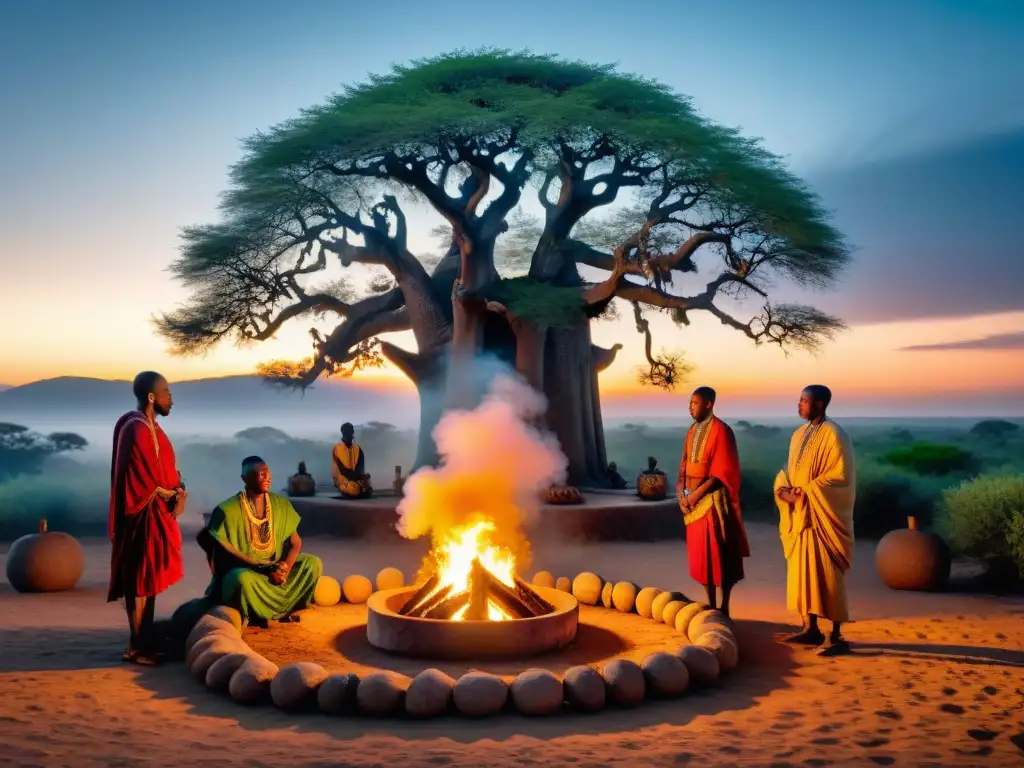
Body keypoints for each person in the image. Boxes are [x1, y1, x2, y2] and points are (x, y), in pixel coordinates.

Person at [107, 371, 187, 665]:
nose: (171, 399)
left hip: (159, 510)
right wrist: (174, 494)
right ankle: (136, 646)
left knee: (150, 578)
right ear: (152, 397)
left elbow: (169, 471)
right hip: (142, 513)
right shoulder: (137, 429)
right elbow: (145, 480)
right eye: (167, 393)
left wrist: (180, 489)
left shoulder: (153, 427)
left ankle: (145, 641)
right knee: (139, 579)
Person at [774, 385, 856, 656]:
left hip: (822, 518)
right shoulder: (798, 435)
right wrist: (784, 490)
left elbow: (841, 477)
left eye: (804, 400)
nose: (799, 405)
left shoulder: (835, 434)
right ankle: (810, 628)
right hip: (801, 517)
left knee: (827, 576)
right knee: (802, 575)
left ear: (819, 404)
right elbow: (791, 471)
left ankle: (835, 636)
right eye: (799, 399)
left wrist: (804, 493)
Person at [200, 456, 322, 628]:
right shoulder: (227, 510)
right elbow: (217, 554)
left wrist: (284, 569)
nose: (268, 478)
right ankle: (254, 614)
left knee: (312, 563)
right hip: (250, 574)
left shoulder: (280, 504)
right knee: (240, 579)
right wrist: (261, 567)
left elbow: (296, 543)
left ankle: (285, 609)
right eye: (261, 474)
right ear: (245, 478)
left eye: (269, 473)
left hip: (276, 570)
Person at [677, 386, 749, 617]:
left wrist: (695, 496)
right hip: (692, 503)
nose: (690, 407)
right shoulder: (691, 431)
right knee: (701, 556)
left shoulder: (721, 430)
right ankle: (710, 604)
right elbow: (684, 466)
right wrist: (681, 494)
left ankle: (724, 606)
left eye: (695, 403)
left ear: (709, 404)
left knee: (720, 554)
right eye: (690, 403)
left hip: (712, 503)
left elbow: (721, 473)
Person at [331, 422, 372, 498]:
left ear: (353, 432)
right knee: (352, 488)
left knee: (365, 483)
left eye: (351, 430)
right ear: (342, 432)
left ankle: (358, 488)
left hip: (356, 478)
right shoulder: (337, 449)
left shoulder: (358, 449)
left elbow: (360, 468)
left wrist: (361, 477)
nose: (350, 432)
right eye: (347, 430)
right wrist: (356, 478)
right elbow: (341, 470)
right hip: (344, 478)